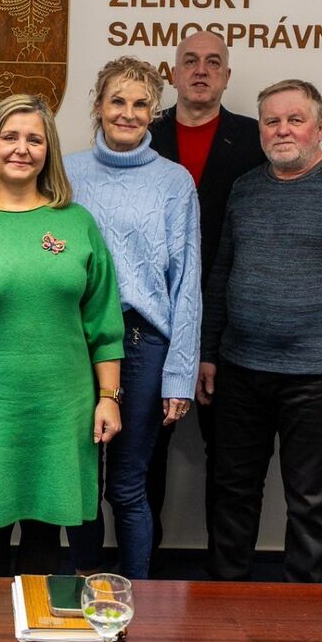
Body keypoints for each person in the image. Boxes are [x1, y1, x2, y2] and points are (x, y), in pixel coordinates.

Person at [0, 94, 125, 577]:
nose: (21, 148)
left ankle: (36, 621)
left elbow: (103, 322)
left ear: (48, 151)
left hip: (62, 408)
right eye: (10, 137)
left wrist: (109, 398)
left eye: (34, 139)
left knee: (45, 532)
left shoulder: (76, 224)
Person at [203, 79, 322, 583]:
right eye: (272, 121)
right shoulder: (245, 188)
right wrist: (208, 353)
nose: (283, 130)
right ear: (260, 130)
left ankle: (304, 610)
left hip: (318, 378)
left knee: (310, 503)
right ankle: (223, 600)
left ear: (320, 126)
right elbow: (222, 274)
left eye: (295, 120)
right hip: (240, 370)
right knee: (231, 492)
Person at [65, 58, 200, 579]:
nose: (128, 112)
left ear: (154, 112)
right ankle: (84, 590)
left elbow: (187, 281)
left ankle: (133, 599)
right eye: (117, 101)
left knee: (126, 485)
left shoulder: (174, 181)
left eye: (140, 104)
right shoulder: (66, 172)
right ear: (98, 105)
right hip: (74, 342)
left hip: (143, 343)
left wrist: (180, 374)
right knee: (80, 483)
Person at [149, 31, 264, 563]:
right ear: (172, 73)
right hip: (153, 318)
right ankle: (140, 568)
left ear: (227, 76)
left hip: (232, 320)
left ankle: (226, 576)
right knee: (143, 456)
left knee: (232, 461)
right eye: (190, 61)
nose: (201, 70)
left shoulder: (255, 139)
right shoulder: (143, 133)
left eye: (213, 62)